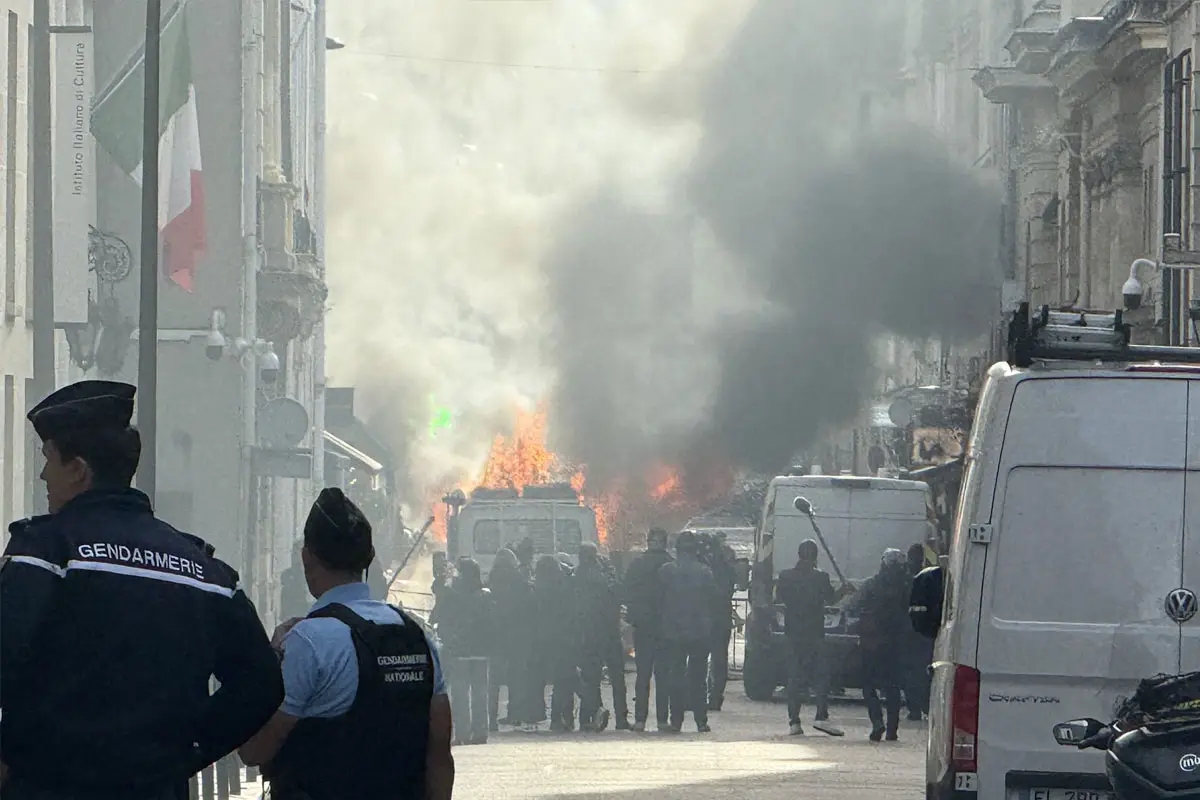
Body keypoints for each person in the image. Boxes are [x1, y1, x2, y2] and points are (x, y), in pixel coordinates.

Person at [0, 380, 283, 799]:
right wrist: (186, 751)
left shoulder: (47, 552)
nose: (43, 474)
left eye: (48, 458)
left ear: (78, 469)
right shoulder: (204, 573)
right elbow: (261, 683)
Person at [239, 488, 454, 799]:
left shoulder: (307, 642)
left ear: (306, 557)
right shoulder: (416, 636)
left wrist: (271, 660)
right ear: (368, 558)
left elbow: (254, 749)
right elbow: (439, 757)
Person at [775, 539, 849, 736]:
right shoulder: (821, 578)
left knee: (794, 677)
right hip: (815, 633)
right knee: (820, 675)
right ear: (815, 556)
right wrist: (844, 590)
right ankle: (821, 716)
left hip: (792, 633)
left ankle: (794, 722)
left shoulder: (785, 576)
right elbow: (831, 599)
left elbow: (779, 598)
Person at [849, 548, 913, 742]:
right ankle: (892, 729)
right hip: (896, 644)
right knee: (893, 687)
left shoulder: (871, 585)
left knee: (868, 684)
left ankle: (877, 721)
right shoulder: (908, 586)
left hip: (872, 642)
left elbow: (852, 605)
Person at [656, 530, 717, 733]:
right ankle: (701, 720)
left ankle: (676, 720)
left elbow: (659, 600)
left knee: (676, 676)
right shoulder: (705, 572)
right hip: (700, 630)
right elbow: (712, 600)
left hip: (673, 631)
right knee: (698, 678)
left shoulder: (666, 571)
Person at [622, 527, 674, 732]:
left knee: (643, 674)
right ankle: (662, 720)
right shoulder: (671, 564)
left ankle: (640, 720)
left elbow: (626, 591)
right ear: (665, 542)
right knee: (663, 675)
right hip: (666, 627)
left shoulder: (637, 564)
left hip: (643, 626)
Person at [574, 543, 629, 731]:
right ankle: (621, 718)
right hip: (609, 632)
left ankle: (589, 716)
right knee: (617, 677)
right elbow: (619, 594)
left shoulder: (577, 577)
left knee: (591, 678)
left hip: (589, 634)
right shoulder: (606, 577)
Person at [439, 557, 493, 745]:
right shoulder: (485, 594)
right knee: (480, 692)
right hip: (481, 650)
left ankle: (462, 733)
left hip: (460, 649)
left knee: (460, 694)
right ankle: (480, 732)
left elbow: (443, 617)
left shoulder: (453, 594)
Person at [487, 547, 535, 728]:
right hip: (517, 636)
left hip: (496, 636)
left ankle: (490, 717)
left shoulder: (492, 580)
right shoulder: (520, 581)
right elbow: (529, 607)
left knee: (493, 680)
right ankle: (514, 714)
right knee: (516, 677)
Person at [533, 554, 579, 732]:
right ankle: (564, 717)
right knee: (565, 679)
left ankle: (554, 718)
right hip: (563, 638)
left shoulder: (537, 588)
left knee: (553, 679)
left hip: (543, 639)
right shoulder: (562, 587)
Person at [706, 533, 738, 711]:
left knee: (700, 658)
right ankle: (716, 696)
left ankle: (701, 695)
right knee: (719, 659)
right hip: (722, 617)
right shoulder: (727, 568)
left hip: (706, 617)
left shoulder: (706, 567)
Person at [904, 542, 934, 720]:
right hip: (924, 632)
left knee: (911, 672)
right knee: (924, 671)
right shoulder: (928, 577)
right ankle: (925, 706)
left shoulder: (906, 578)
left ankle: (915, 708)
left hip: (910, 631)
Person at [280, 542, 312, 620]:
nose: (295, 555)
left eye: (297, 552)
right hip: (293, 610)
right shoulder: (288, 575)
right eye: (294, 553)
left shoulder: (312, 573)